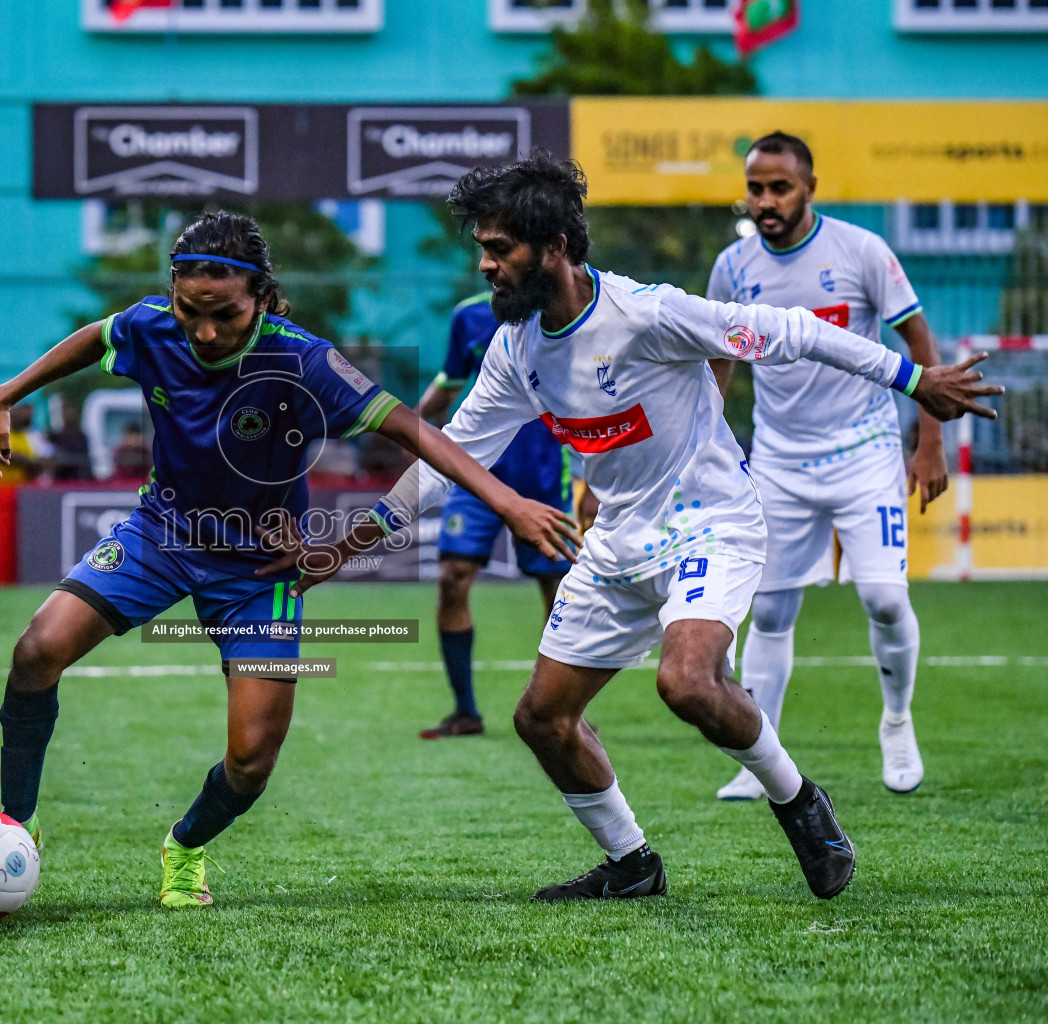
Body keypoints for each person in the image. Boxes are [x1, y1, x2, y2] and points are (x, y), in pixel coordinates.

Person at [279, 153, 998, 902]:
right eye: (481, 248)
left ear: (553, 247)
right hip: (618, 539)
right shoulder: (516, 349)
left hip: (710, 524)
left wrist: (917, 381)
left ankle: (799, 802)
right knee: (541, 719)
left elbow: (790, 331)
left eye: (499, 248)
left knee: (686, 682)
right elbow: (446, 459)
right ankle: (633, 865)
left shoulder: (648, 314)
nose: (486, 264)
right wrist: (344, 549)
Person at [0, 211, 578, 909]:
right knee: (37, 650)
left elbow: (413, 429)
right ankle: (16, 827)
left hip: (260, 568)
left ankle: (186, 846)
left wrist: (508, 503)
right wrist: (5, 395)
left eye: (223, 314)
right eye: (189, 310)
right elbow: (97, 338)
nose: (203, 331)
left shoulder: (301, 358)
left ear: (260, 295)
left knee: (252, 759)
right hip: (160, 534)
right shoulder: (151, 324)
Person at [707, 133, 944, 799]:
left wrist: (929, 444)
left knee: (884, 599)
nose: (765, 201)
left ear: (809, 187)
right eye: (756, 188)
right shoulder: (733, 266)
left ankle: (896, 721)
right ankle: (761, 759)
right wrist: (703, 445)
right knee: (772, 610)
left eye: (779, 187)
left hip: (864, 453)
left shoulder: (861, 251)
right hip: (780, 461)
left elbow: (920, 344)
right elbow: (716, 361)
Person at [414, 291, 582, 739]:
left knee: (557, 592)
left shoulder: (564, 308)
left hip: (544, 476)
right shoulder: (467, 317)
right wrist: (407, 424)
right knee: (452, 576)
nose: (493, 262)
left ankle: (562, 711)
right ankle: (465, 711)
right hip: (474, 473)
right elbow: (449, 384)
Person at [1, 402, 53, 483]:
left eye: (29, 412)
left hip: (23, 489)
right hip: (1, 488)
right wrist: (30, 461)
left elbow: (44, 461)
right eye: (22, 411)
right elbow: (7, 456)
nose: (26, 415)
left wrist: (30, 462)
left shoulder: (30, 437)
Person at [46, 399, 93, 481]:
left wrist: (65, 460)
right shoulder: (55, 436)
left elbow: (85, 461)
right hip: (59, 482)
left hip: (77, 481)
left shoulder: (81, 437)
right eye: (64, 409)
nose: (66, 413)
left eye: (69, 409)